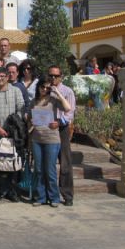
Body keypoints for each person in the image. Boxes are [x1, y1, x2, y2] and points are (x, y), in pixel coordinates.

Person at [0, 67, 25, 202]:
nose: (0, 78)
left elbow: (21, 108)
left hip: (14, 133)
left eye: (2, 75)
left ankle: (12, 190)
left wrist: (13, 126)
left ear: (7, 77)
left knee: (13, 160)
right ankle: (0, 189)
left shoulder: (16, 91)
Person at [28, 77, 71, 207]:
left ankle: (54, 197)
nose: (45, 90)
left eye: (47, 88)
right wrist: (30, 121)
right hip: (37, 138)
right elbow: (29, 119)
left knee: (50, 169)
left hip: (52, 139)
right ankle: (40, 197)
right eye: (43, 87)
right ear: (38, 87)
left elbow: (67, 108)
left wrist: (57, 93)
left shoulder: (53, 100)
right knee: (39, 169)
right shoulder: (34, 102)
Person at [48, 65, 76, 207]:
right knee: (49, 163)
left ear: (61, 77)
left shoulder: (67, 91)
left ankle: (67, 194)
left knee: (65, 162)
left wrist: (59, 122)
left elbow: (70, 113)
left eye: (56, 76)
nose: (53, 78)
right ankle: (51, 194)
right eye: (51, 75)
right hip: (47, 130)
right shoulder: (46, 90)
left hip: (62, 129)